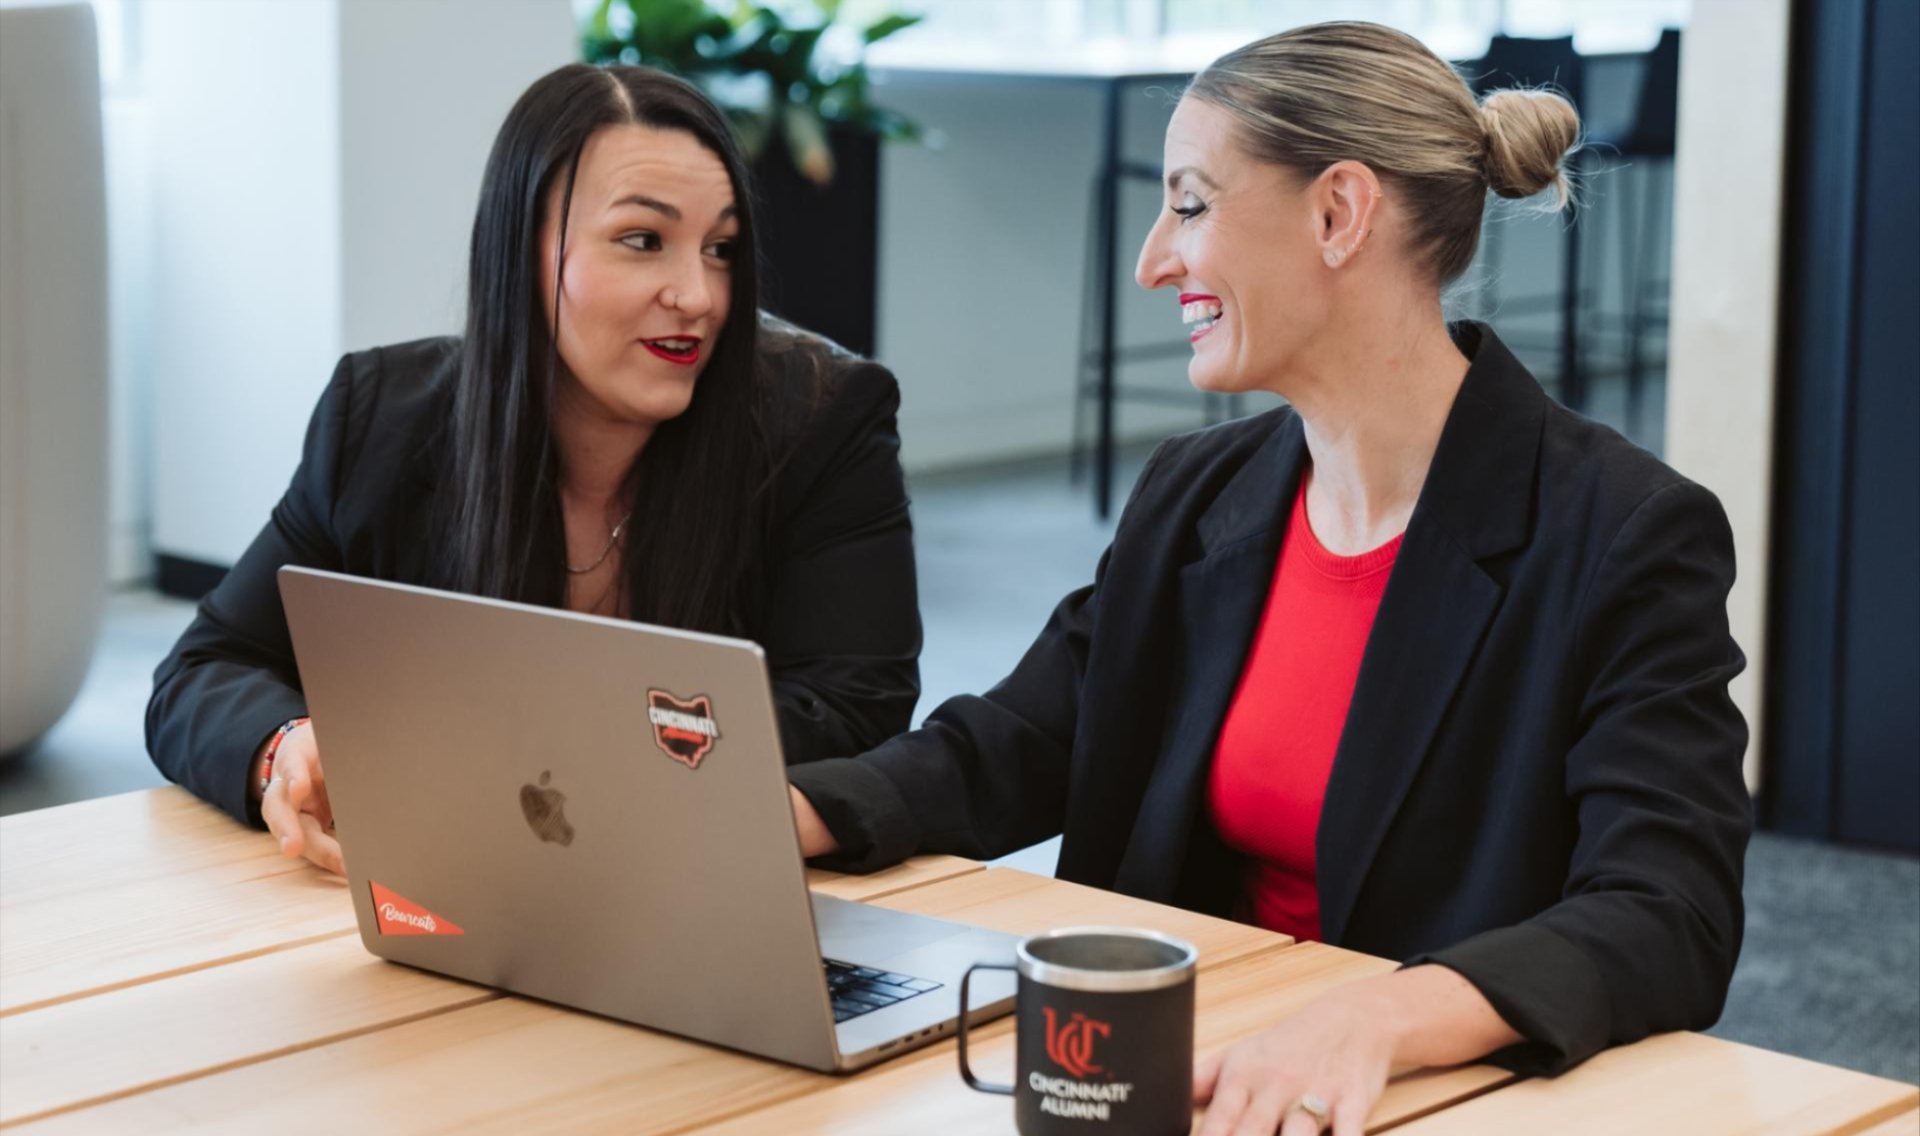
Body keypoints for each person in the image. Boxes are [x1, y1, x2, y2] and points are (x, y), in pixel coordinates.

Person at [786, 22, 1749, 1136]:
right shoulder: (1197, 494)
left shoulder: (1625, 532)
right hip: (1195, 1068)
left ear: (1339, 213)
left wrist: (1379, 1015)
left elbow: (1667, 911)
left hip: (1425, 1091)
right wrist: (782, 817)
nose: (1153, 259)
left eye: (1190, 204)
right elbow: (1027, 736)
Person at [148, 65, 921, 880]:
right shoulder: (381, 418)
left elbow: (856, 711)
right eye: (642, 240)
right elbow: (203, 670)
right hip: (443, 891)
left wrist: (526, 759)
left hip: (696, 883)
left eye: (721, 249)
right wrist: (284, 747)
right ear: (522, 251)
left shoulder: (823, 421)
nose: (698, 296)